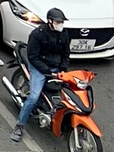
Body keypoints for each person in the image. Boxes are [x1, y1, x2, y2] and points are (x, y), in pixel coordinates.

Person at [11, 7, 73, 142]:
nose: (60, 24)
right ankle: (19, 125)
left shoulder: (64, 34)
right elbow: (33, 57)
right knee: (33, 97)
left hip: (56, 68)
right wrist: (47, 72)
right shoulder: (37, 34)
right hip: (39, 68)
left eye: (62, 22)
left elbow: (66, 54)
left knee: (70, 91)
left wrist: (62, 69)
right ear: (50, 21)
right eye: (58, 22)